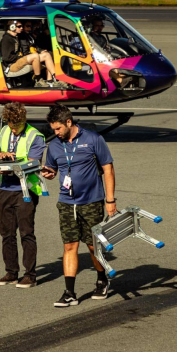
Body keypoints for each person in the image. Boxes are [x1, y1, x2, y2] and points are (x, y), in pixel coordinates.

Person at [40, 104, 117, 307]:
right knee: (69, 245)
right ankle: (69, 292)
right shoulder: (55, 145)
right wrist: (50, 173)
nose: (55, 133)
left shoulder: (93, 139)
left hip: (91, 202)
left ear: (68, 122)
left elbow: (108, 169)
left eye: (58, 129)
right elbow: (53, 168)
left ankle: (102, 279)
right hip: (66, 203)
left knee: (92, 245)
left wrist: (110, 200)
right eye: (52, 130)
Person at [0, 101, 47, 288]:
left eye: (16, 126)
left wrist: (9, 165)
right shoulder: (5, 130)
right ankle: (11, 272)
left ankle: (30, 275)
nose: (13, 130)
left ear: (24, 121)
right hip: (7, 188)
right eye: (10, 126)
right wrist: (1, 156)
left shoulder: (35, 136)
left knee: (26, 233)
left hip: (26, 190)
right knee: (7, 233)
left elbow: (33, 162)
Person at [0, 21, 57, 87]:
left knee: (47, 55)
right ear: (12, 27)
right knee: (35, 56)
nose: (21, 28)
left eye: (21, 26)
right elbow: (6, 58)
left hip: (19, 60)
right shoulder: (6, 39)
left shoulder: (16, 37)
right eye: (19, 26)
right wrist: (19, 56)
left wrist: (40, 51)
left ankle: (53, 78)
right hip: (12, 65)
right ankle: (38, 80)